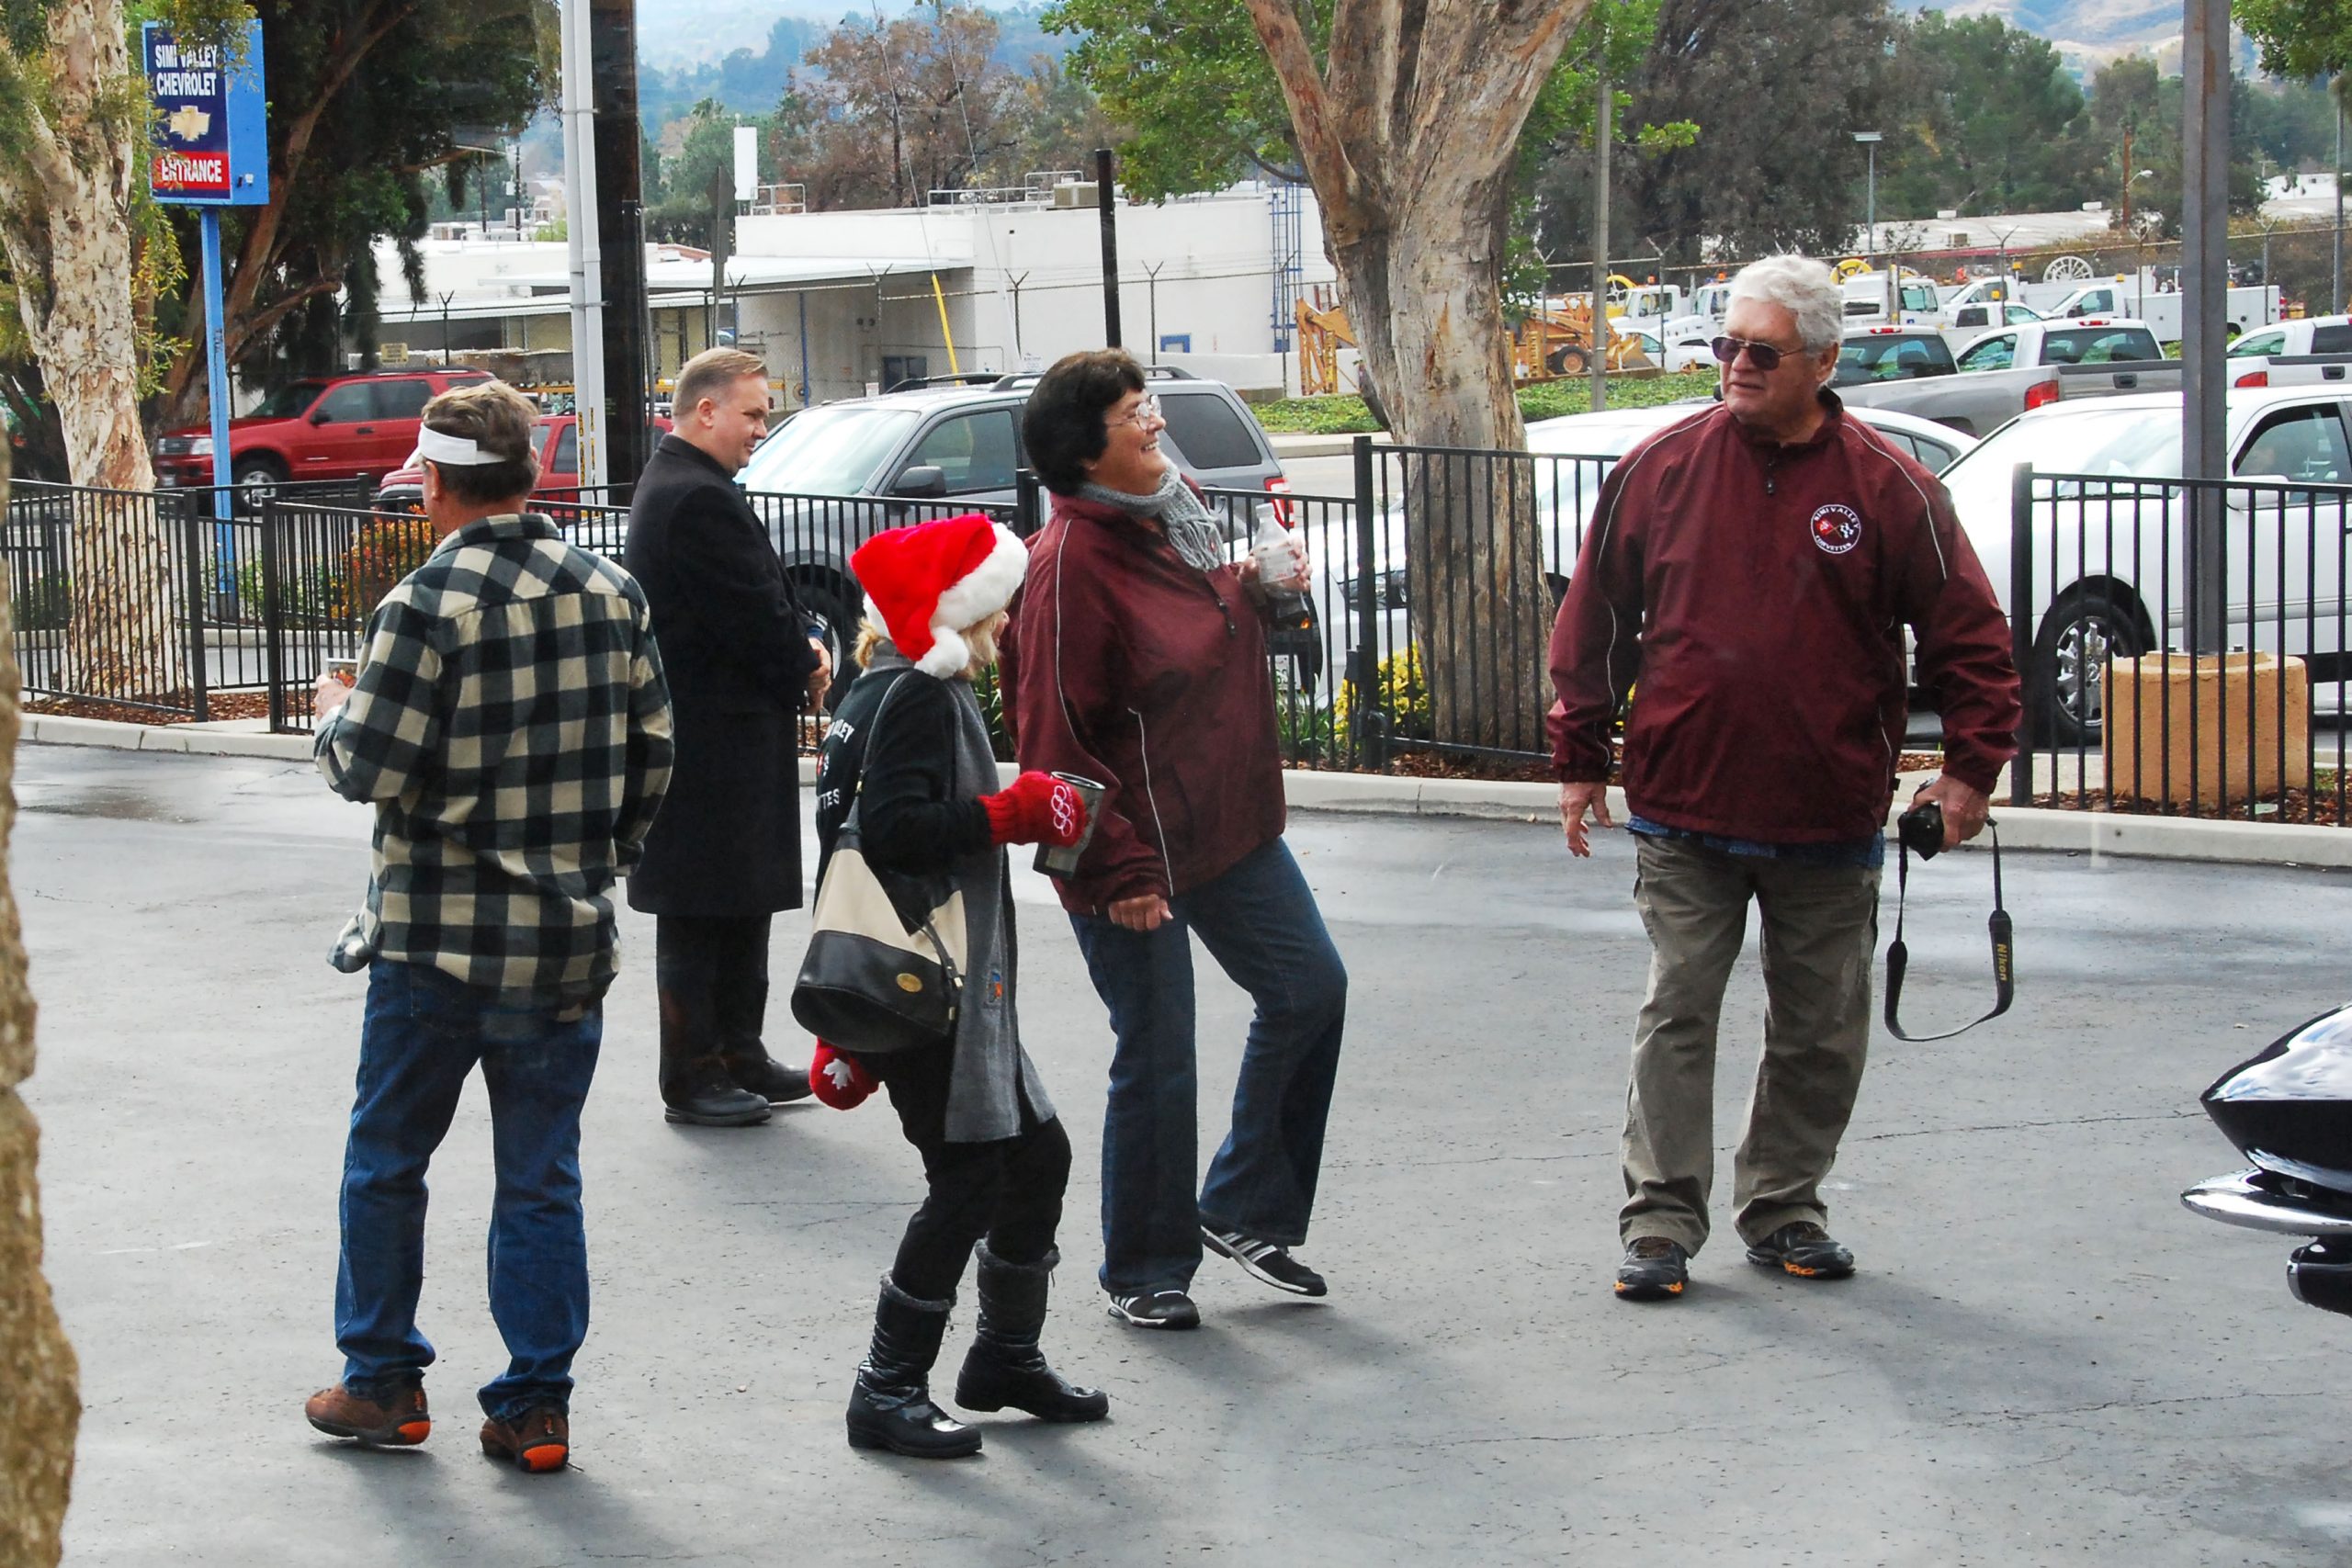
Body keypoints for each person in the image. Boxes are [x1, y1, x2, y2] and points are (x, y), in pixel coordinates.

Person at [1547, 254, 2021, 1303]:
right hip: (1683, 804)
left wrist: (1968, 772)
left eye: (1761, 352)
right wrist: (1579, 756)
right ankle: (1660, 1224)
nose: (1736, 366)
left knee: (1818, 1026)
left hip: (1828, 808)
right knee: (1677, 1011)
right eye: (1725, 346)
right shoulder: (1660, 466)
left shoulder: (1891, 489)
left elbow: (1970, 642)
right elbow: (1592, 621)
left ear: (1822, 361)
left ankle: (1785, 1209)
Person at [303, 379, 674, 1471]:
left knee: (387, 1161)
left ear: (431, 482)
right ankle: (535, 1406)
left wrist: (332, 710)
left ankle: (382, 1384)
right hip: (563, 942)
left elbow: (365, 766)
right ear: (525, 472)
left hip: (433, 943)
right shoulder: (612, 592)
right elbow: (655, 762)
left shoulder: (425, 605)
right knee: (540, 1175)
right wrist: (592, 867)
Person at [1003, 349, 1347, 1331]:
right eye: (1132, 414)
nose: (1155, 424)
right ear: (1083, 451)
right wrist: (1115, 871)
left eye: (1149, 405)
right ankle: (1144, 1268)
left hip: (1228, 824)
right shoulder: (1065, 568)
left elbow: (1207, 624)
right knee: (1157, 1052)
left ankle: (1243, 1209)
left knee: (1310, 990)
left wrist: (1263, 589)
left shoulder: (1175, 516)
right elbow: (1052, 741)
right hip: (1131, 852)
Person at [807, 513, 1109, 1458]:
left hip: (932, 983)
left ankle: (1003, 1359)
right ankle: (885, 1388)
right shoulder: (923, 696)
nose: (1011, 621)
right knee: (969, 1179)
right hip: (931, 985)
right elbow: (892, 834)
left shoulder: (876, 685)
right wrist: (1010, 811)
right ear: (962, 609)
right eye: (1002, 602)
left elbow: (844, 843)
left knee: (1038, 1158)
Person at [625, 347, 830, 1126]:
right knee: (702, 911)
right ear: (704, 410)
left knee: (738, 905)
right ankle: (694, 1069)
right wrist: (802, 658)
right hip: (709, 747)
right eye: (751, 412)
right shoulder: (694, 497)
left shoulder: (688, 484)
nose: (760, 428)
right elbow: (751, 615)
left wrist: (798, 645)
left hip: (724, 740)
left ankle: (737, 1050)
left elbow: (759, 601)